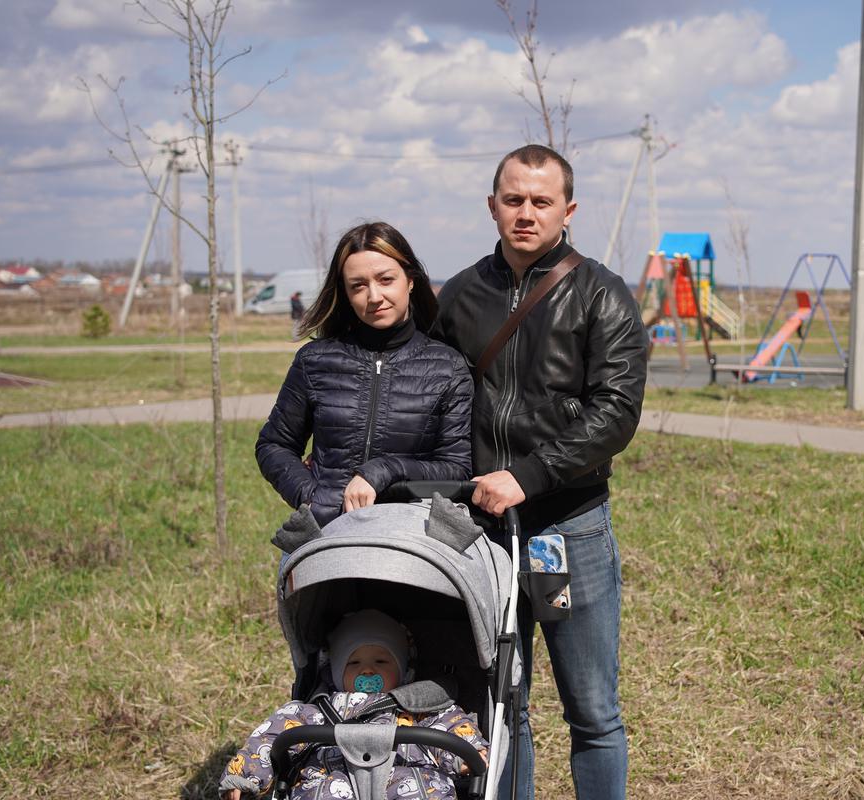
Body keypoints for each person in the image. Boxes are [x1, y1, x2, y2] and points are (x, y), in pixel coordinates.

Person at [432, 145, 648, 800]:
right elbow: (434, 394)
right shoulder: (462, 295)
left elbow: (616, 412)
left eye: (541, 201)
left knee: (592, 710)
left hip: (567, 529)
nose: (526, 213)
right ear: (493, 205)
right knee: (503, 705)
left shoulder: (602, 294)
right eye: (514, 199)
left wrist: (529, 473)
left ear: (568, 209)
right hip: (481, 533)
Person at [257, 221, 472, 529]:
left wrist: (384, 470)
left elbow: (456, 468)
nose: (374, 296)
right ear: (345, 293)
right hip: (326, 532)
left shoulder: (447, 367)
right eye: (358, 285)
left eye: (386, 280)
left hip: (414, 536)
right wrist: (313, 498)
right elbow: (274, 445)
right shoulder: (315, 360)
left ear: (410, 280)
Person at [218, 609, 489, 800]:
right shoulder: (312, 710)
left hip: (408, 775)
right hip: (332, 779)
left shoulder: (422, 705)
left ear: (404, 671)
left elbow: (453, 727)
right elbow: (270, 737)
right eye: (354, 662)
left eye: (381, 662)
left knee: (424, 788)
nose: (368, 671)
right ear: (335, 670)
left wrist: (468, 754)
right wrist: (245, 775)